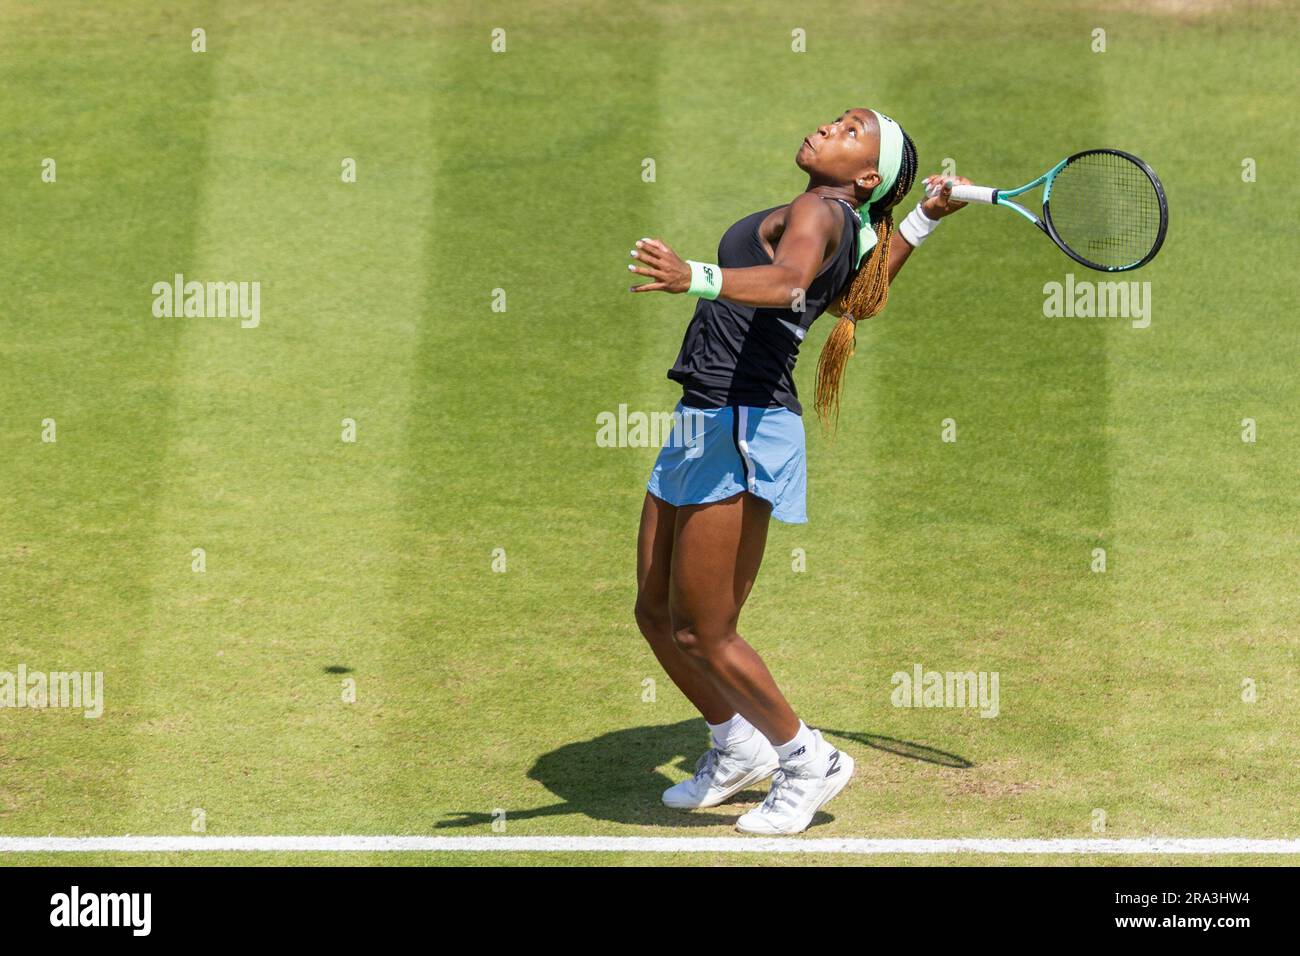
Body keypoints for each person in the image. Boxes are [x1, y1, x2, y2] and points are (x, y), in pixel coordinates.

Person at [627, 108, 970, 834]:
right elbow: (853, 302)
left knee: (707, 629)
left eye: (851, 132)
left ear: (867, 176)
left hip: (743, 423)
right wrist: (923, 222)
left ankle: (808, 758)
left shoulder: (820, 208)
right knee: (656, 614)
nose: (828, 128)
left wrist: (696, 275)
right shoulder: (841, 219)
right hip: (704, 414)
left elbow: (787, 285)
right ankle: (735, 746)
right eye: (837, 120)